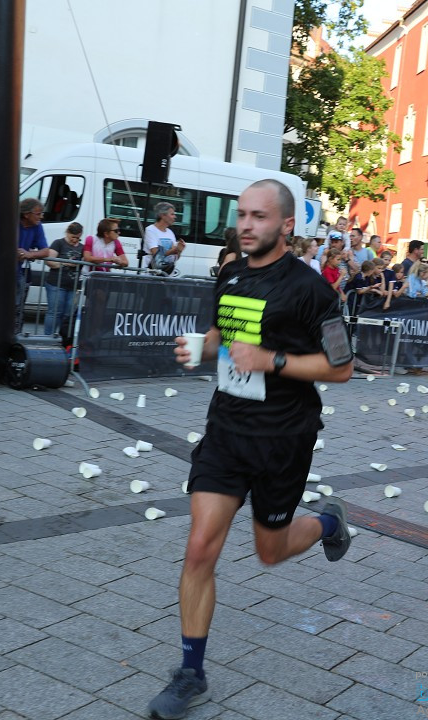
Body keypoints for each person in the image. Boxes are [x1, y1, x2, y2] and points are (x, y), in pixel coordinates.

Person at [153, 179, 354, 719]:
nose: (246, 224)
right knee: (200, 549)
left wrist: (274, 361)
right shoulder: (230, 271)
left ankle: (329, 524)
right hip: (226, 431)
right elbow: (225, 333)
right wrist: (203, 346)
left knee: (270, 552)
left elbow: (342, 368)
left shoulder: (313, 291)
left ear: (287, 225)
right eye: (241, 214)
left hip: (283, 439)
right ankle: (190, 672)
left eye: (259, 216)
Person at [16, 198, 56, 334]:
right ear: (26, 214)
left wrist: (29, 254)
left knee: (18, 308)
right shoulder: (12, 221)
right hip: (3, 272)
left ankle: (15, 337)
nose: (41, 217)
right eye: (38, 214)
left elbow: (45, 251)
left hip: (19, 272)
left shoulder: (37, 226)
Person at [43, 222, 84, 340]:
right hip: (56, 284)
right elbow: (49, 261)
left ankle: (62, 339)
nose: (75, 240)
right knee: (55, 312)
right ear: (67, 233)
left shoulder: (82, 247)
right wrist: (66, 263)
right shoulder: (58, 243)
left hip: (74, 286)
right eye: (73, 237)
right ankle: (47, 338)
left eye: (78, 238)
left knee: (68, 315)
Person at [143, 201, 185, 272]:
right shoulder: (150, 230)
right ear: (162, 215)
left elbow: (175, 257)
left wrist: (179, 251)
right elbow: (155, 253)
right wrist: (174, 250)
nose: (175, 217)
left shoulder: (170, 232)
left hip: (167, 273)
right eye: (172, 214)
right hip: (152, 273)